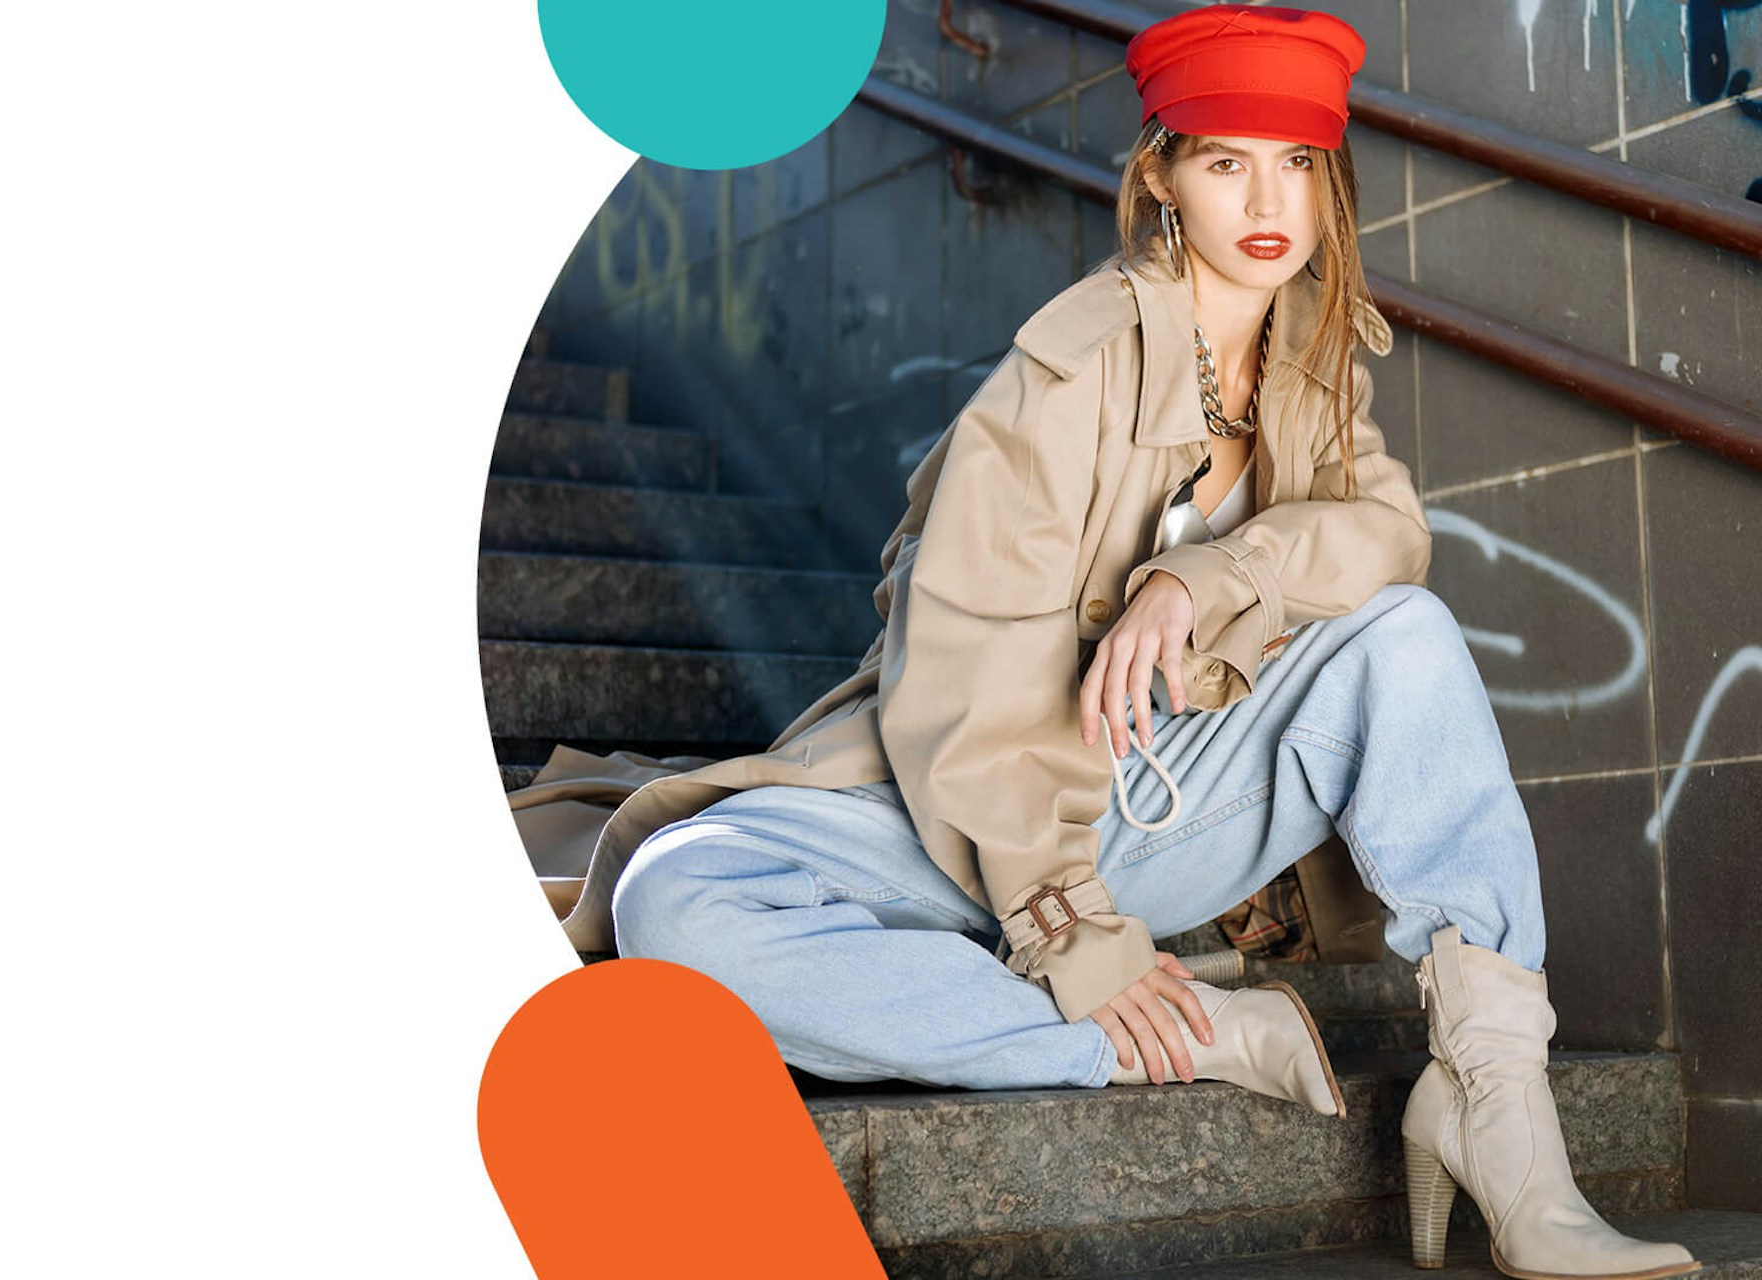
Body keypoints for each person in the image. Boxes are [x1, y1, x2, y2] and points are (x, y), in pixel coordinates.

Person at [517, 7, 1698, 1278]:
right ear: (1165, 178)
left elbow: (1387, 533)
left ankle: (1496, 1101)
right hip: (975, 810)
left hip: (1165, 807)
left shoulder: (1310, 361)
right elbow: (965, 685)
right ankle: (1169, 1036)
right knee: (672, 897)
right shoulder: (1069, 372)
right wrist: (1072, 933)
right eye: (1227, 161)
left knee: (1404, 634)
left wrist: (1204, 576)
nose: (1269, 201)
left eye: (1297, 162)